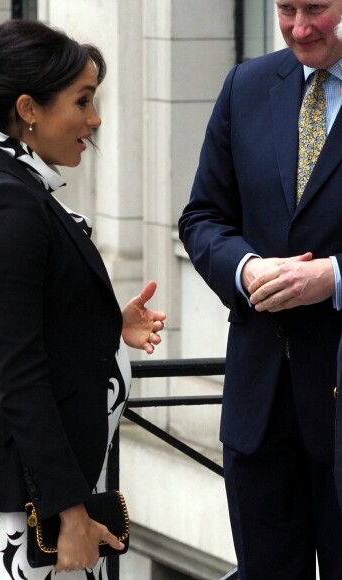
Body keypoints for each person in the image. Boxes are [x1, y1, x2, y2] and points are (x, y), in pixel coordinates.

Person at [0, 19, 166, 580]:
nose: (95, 120)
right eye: (82, 101)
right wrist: (70, 511)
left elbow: (27, 319)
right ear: (29, 109)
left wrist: (103, 322)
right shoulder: (10, 201)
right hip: (19, 500)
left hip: (25, 489)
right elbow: (20, 372)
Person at [178, 1, 342, 578]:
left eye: (316, 8)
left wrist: (335, 277)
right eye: (286, 8)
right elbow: (201, 218)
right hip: (260, 408)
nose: (299, 27)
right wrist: (245, 269)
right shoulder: (245, 85)